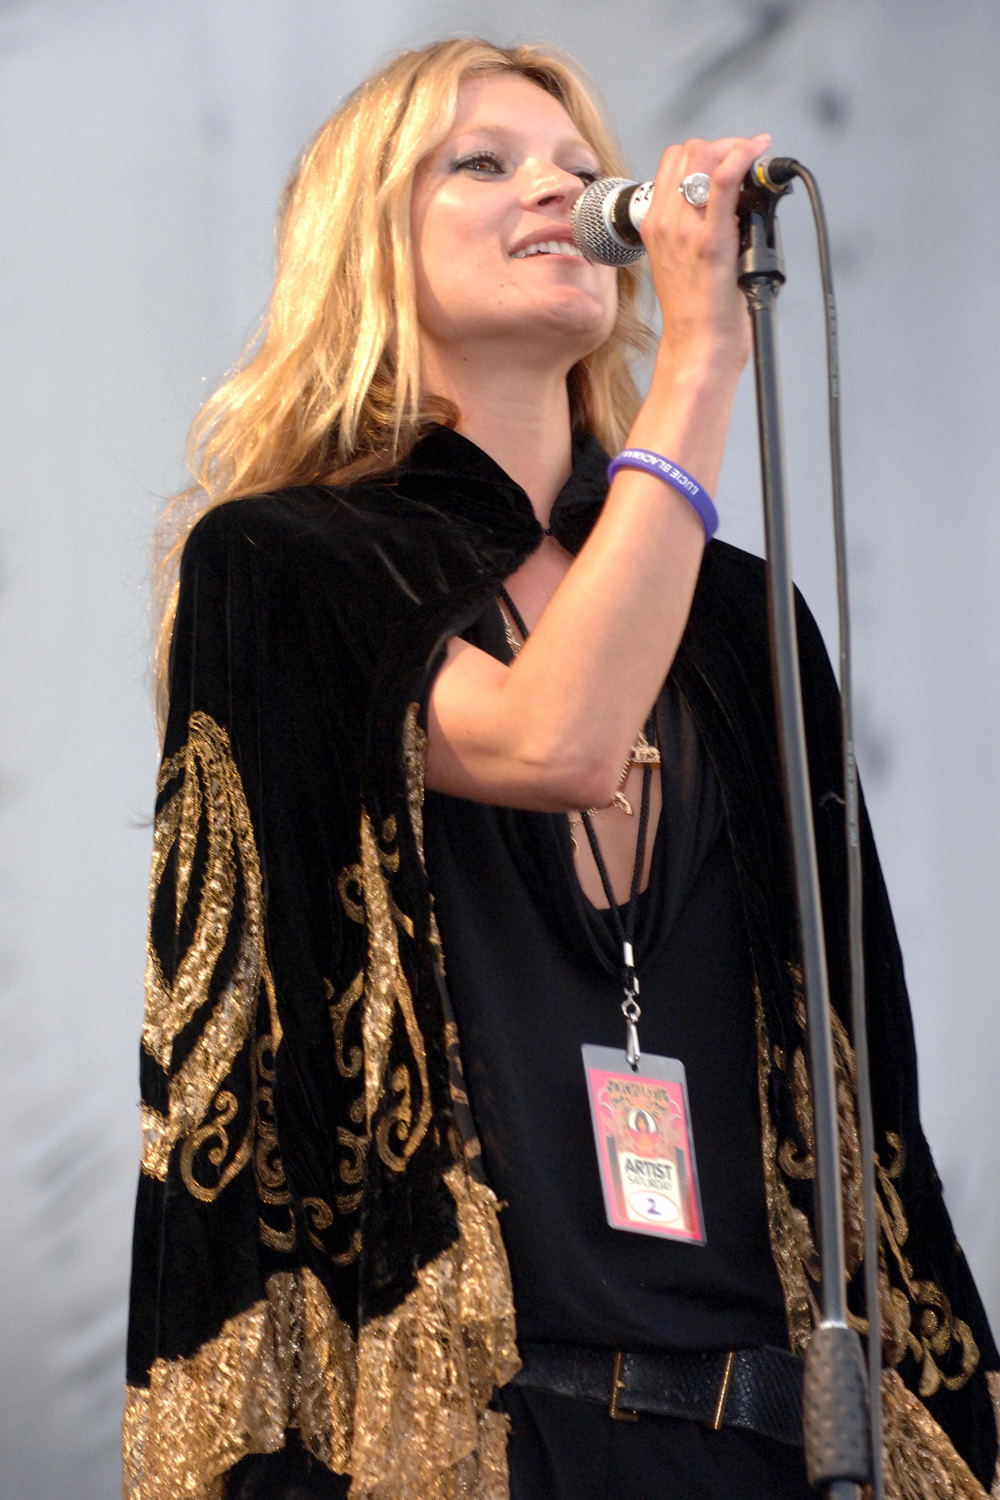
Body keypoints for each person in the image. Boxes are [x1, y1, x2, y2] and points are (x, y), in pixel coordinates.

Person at [123, 37, 998, 1500]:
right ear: (368, 250)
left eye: (578, 167)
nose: (557, 189)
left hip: (776, 1434)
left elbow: (862, 1093)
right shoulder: (285, 561)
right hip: (475, 1439)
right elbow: (554, 739)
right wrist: (704, 359)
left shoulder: (737, 617)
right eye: (484, 163)